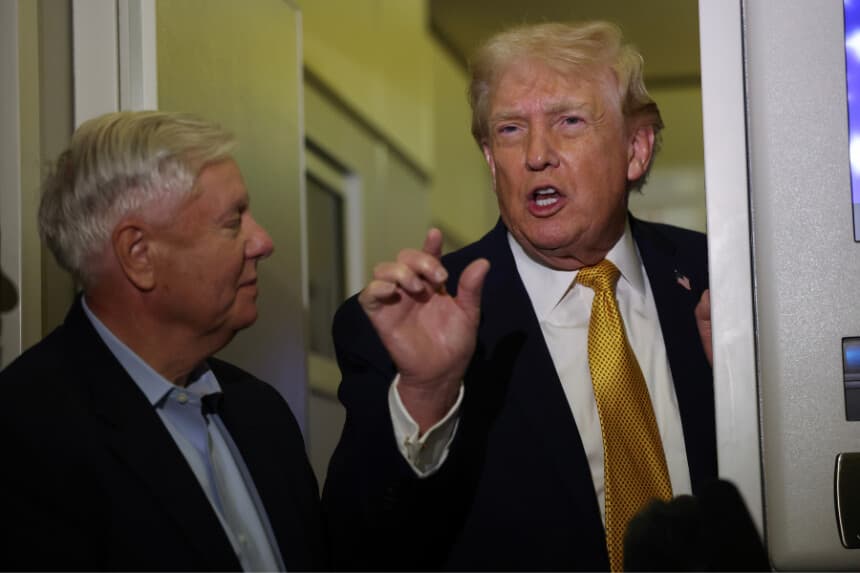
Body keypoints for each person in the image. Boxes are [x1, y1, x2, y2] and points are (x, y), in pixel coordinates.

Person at [323, 21, 716, 571]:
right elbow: (355, 548)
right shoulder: (409, 319)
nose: (536, 155)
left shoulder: (720, 280)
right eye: (510, 130)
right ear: (490, 161)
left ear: (636, 148)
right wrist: (426, 394)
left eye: (569, 121)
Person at [0, 111, 324, 571]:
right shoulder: (28, 433)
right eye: (233, 222)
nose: (263, 242)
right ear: (139, 255)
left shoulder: (262, 413)